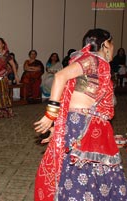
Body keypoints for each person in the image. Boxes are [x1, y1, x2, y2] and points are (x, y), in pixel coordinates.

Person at [34, 28, 127, 201]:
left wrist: (58, 127)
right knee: (83, 171)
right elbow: (60, 77)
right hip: (83, 123)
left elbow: (70, 96)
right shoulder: (93, 60)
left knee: (90, 170)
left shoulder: (92, 62)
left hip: (81, 122)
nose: (113, 48)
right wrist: (50, 115)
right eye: (112, 44)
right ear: (105, 44)